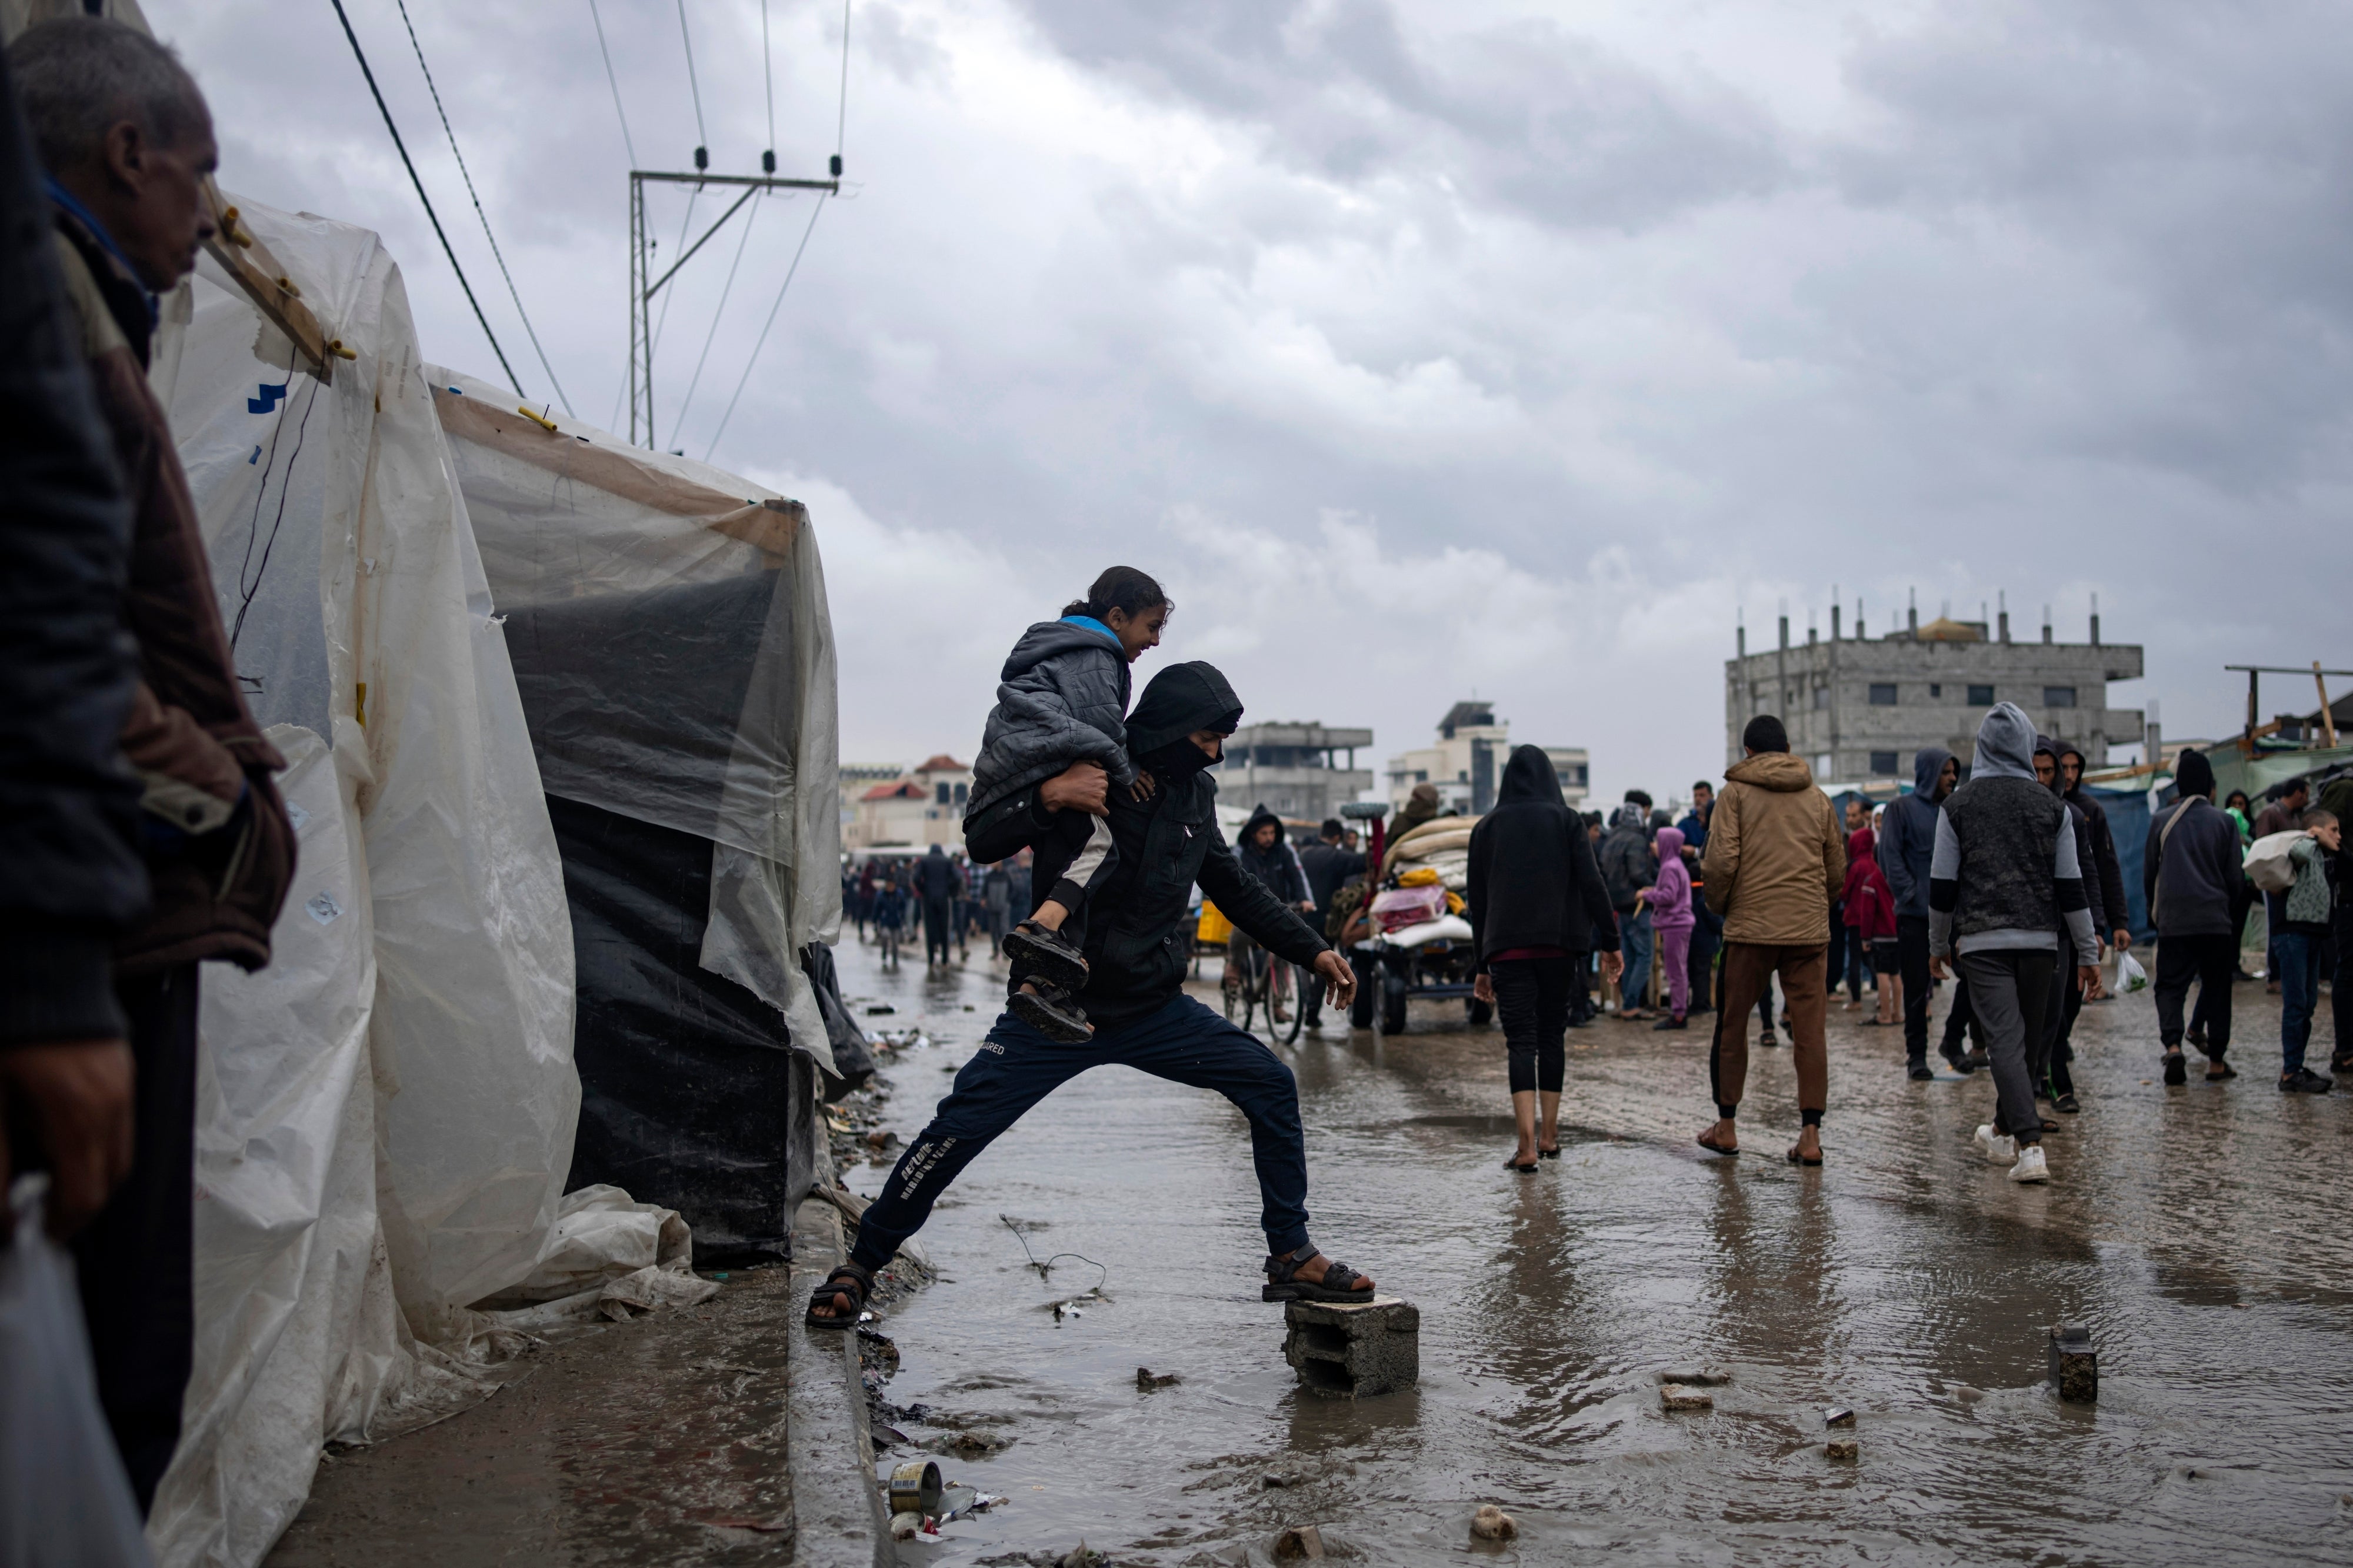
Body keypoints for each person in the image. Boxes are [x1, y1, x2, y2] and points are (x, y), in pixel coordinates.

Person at [13, 17, 301, 1510]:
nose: (205, 223)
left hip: (102, 893)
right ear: (127, 154)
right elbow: (45, 625)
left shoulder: (79, 309)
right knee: (108, 1359)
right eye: (198, 179)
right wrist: (205, 777)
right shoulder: (48, 316)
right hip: (92, 906)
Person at [805, 662, 1371, 1327]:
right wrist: (1047, 793)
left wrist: (1313, 947)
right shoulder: (1092, 774)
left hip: (1153, 1009)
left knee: (1270, 1083)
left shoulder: (1197, 795)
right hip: (1054, 1007)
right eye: (1207, 737)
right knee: (956, 1129)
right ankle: (863, 1263)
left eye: (1223, 739)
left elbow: (1234, 886)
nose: (1216, 751)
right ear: (1169, 728)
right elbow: (985, 837)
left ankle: (1290, 1253)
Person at [965, 565, 1171, 1037]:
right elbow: (1100, 731)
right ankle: (1040, 930)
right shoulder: (1099, 657)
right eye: (1152, 626)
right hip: (1043, 758)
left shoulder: (1068, 647)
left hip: (1018, 763)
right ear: (1117, 617)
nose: (1155, 640)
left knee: (1068, 853)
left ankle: (1043, 985)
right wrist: (1128, 773)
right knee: (1099, 850)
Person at [1929, 705, 2100, 1185]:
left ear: (1981, 746)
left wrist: (1937, 943)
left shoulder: (1956, 807)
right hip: (2042, 943)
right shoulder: (2054, 808)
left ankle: (2025, 1143)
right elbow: (2072, 887)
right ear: (2027, 746)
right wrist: (2086, 952)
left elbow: (1942, 886)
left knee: (2007, 1041)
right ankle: (2008, 1132)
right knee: (2023, 1045)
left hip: (1982, 944)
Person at [1694, 716, 1844, 1166]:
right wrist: (1816, 904)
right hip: (1808, 932)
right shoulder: (1818, 799)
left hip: (1750, 929)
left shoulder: (1735, 794)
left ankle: (1726, 1126)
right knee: (1810, 1032)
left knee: (1732, 1025)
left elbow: (1719, 864)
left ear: (1748, 753)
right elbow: (1836, 867)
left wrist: (1722, 908)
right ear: (1788, 749)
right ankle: (1811, 1137)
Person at [1467, 748, 1622, 1170]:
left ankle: (1526, 1147)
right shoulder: (1567, 820)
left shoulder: (1486, 828)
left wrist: (1481, 965)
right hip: (1560, 947)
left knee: (1520, 1042)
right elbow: (1592, 883)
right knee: (1553, 1037)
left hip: (1506, 950)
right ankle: (1551, 1136)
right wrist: (1611, 940)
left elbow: (1477, 904)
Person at [2144, 749, 2245, 1086]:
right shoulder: (2225, 822)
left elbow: (2149, 874)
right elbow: (2235, 879)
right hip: (2215, 922)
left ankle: (2173, 1047)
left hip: (2174, 922)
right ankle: (2216, 1062)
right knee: (2217, 989)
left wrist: (2154, 915)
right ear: (2210, 786)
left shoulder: (2161, 820)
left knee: (2170, 988)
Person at [2032, 734, 2108, 1114]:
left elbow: (2090, 876)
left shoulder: (2076, 818)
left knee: (2062, 1010)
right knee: (2039, 1015)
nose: (2044, 778)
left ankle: (2049, 1075)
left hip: (2064, 932)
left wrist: (2098, 929)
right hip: (2027, 932)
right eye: (2037, 771)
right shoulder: (2016, 815)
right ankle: (2054, 1081)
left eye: (2051, 771)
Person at [1879, 747, 1959, 1076]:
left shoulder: (1954, 810)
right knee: (1916, 990)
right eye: (1946, 772)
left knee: (1975, 978)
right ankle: (1917, 1057)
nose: (1953, 778)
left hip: (1955, 915)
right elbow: (1889, 856)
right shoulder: (1901, 809)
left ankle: (1955, 1039)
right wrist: (1911, 894)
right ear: (1929, 773)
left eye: (1955, 772)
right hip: (1915, 918)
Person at [2273, 809, 2339, 1093]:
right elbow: (2296, 852)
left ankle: (2296, 1066)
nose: (2338, 835)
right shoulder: (2304, 846)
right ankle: (2290, 1072)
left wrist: (2330, 842)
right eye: (2333, 830)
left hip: (2312, 934)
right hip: (2293, 934)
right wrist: (2310, 836)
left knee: (2308, 1003)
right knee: (2297, 1003)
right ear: (2316, 829)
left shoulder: (2327, 856)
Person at [1232, 806, 1314, 1022]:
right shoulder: (1242, 853)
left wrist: (1305, 899)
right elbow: (1232, 878)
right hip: (1250, 911)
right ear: (1253, 834)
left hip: (1277, 910)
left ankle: (1276, 1004)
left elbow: (1297, 876)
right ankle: (1234, 965)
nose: (1269, 838)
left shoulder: (1285, 851)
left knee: (1281, 954)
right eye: (1264, 834)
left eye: (1272, 833)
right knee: (1239, 933)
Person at [1297, 818, 1366, 1028]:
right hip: (1326, 921)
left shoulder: (1304, 854)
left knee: (1304, 962)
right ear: (1337, 838)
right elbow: (1361, 863)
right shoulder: (1335, 856)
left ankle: (1305, 1000)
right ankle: (1311, 1011)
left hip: (1302, 916)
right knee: (1324, 966)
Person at [1841, 826, 1903, 1039]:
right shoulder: (1892, 878)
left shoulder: (1866, 875)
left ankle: (1882, 1013)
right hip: (1895, 932)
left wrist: (1866, 937)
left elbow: (1862, 908)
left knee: (1878, 972)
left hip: (1874, 931)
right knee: (1895, 974)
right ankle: (1897, 1013)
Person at [1600, 801, 1657, 1019]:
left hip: (1617, 906)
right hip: (1637, 905)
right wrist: (1655, 884)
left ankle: (1626, 1002)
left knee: (1630, 956)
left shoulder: (1612, 838)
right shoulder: (1637, 839)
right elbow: (1636, 872)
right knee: (1644, 956)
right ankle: (1631, 1005)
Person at [1639, 826, 1696, 1029]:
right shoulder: (1677, 865)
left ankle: (1679, 1014)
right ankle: (1680, 1011)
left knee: (1675, 971)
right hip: (1680, 924)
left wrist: (1646, 895)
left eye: (1657, 841)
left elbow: (1669, 897)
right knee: (1679, 969)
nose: (1654, 845)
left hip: (1675, 924)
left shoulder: (1669, 867)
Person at [1678, 783, 1719, 1016]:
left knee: (1701, 966)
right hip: (1694, 890)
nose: (1698, 799)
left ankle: (1702, 1002)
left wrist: (1694, 852)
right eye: (1695, 796)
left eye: (1702, 795)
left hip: (1707, 890)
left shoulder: (1719, 825)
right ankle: (1701, 1002)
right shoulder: (1687, 824)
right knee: (1698, 966)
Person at [2220, 788, 2258, 979]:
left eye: (2240, 804)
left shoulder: (2250, 828)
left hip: (2244, 889)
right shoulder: (2220, 826)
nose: (2237, 808)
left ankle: (2233, 965)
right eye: (2233, 804)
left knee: (2238, 928)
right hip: (2224, 889)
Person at [914, 843, 963, 968]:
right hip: (943, 898)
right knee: (944, 928)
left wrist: (923, 890)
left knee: (930, 928)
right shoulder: (947, 861)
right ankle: (945, 960)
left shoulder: (924, 861)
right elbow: (958, 877)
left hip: (928, 899)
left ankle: (931, 960)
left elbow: (916, 878)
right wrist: (950, 891)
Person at [871, 875, 907, 968]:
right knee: (885, 936)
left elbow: (903, 908)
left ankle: (895, 958)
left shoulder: (899, 895)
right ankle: (884, 953)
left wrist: (903, 919)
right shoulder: (881, 896)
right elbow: (877, 910)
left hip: (896, 923)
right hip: (885, 922)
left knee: (895, 943)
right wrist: (875, 922)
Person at [979, 859, 1013, 956]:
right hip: (991, 907)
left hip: (1004, 907)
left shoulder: (1007, 875)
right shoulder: (989, 876)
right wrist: (984, 899)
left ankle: (1005, 952)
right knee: (993, 930)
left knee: (1004, 929)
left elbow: (1012, 890)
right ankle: (995, 951)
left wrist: (1007, 902)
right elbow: (984, 890)